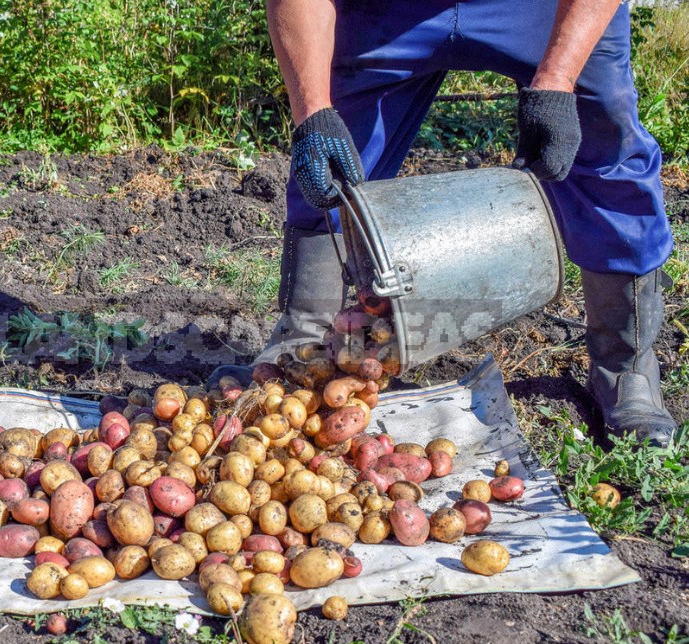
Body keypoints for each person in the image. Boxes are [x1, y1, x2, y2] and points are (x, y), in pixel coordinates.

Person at [212, 0, 678, 445]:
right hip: (389, 11)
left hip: (543, 8)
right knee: (332, 156)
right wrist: (312, 113)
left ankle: (625, 362)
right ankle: (310, 344)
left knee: (604, 139)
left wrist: (558, 79)